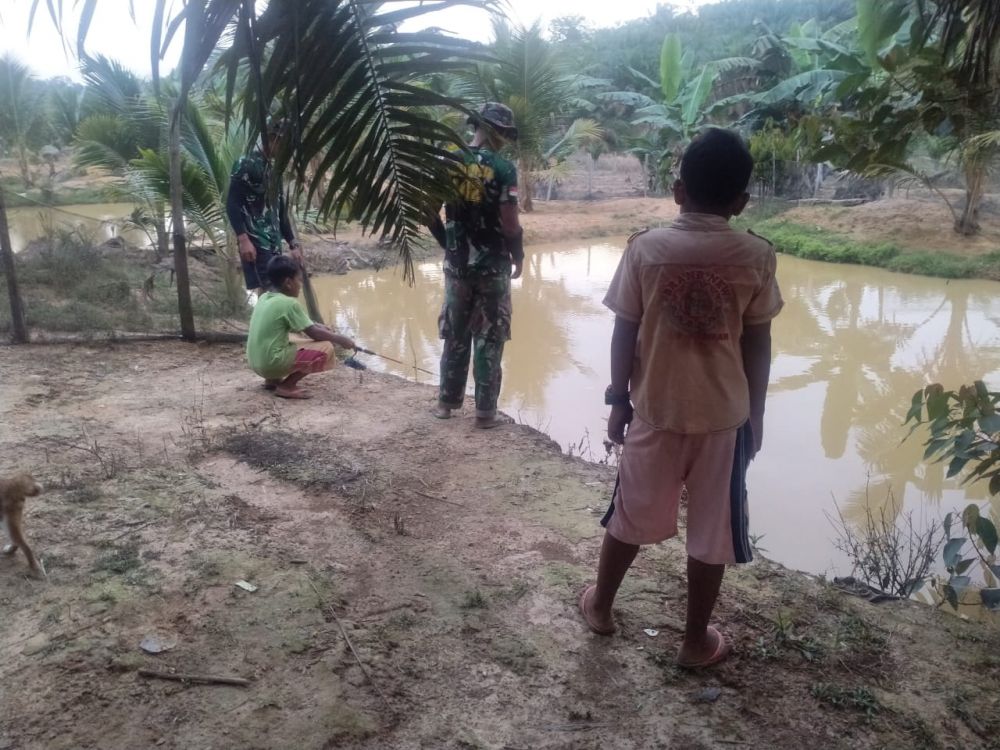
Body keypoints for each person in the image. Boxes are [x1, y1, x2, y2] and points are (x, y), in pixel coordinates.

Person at [578, 128, 783, 669]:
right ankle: (694, 643)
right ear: (741, 201)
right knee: (713, 530)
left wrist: (617, 400)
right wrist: (755, 416)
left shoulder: (645, 249)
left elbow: (625, 329)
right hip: (724, 421)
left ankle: (600, 607)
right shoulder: (757, 255)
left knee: (628, 512)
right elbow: (758, 340)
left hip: (655, 411)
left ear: (677, 191)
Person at [428, 102, 525, 429]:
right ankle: (485, 413)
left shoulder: (448, 161)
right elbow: (510, 224)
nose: (505, 140)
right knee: (489, 335)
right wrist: (519, 253)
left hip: (456, 268)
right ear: (495, 130)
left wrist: (448, 243)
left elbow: (426, 212)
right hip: (492, 267)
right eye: (504, 133)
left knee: (455, 333)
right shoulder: (503, 168)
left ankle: (445, 404)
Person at [246, 255, 357, 400]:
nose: (300, 284)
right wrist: (341, 339)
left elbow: (299, 323)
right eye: (299, 280)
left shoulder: (265, 298)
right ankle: (287, 386)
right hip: (269, 364)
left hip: (256, 363)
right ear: (288, 283)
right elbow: (314, 334)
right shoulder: (289, 304)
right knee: (326, 348)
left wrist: (316, 325)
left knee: (291, 337)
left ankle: (272, 380)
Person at [227, 117, 304, 295]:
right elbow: (232, 203)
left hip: (273, 241)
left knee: (276, 289)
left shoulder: (273, 168)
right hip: (256, 240)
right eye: (285, 144)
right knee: (270, 290)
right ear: (271, 137)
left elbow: (280, 210)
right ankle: (269, 322)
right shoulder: (246, 164)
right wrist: (243, 239)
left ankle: (272, 322)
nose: (287, 150)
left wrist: (293, 243)